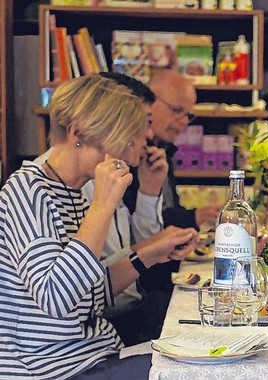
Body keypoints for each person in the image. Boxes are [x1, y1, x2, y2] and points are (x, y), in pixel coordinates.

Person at [0, 75, 196, 379]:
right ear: (78, 133)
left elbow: (87, 297)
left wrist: (147, 255)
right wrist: (102, 206)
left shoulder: (71, 192)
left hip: (91, 353)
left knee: (198, 353)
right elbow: (56, 298)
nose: (137, 145)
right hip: (51, 368)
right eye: (124, 137)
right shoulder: (27, 191)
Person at [124, 70, 221, 293]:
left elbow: (160, 216)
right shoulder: (126, 158)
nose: (184, 121)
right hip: (136, 287)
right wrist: (193, 217)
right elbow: (133, 238)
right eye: (177, 110)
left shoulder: (162, 151)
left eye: (188, 115)